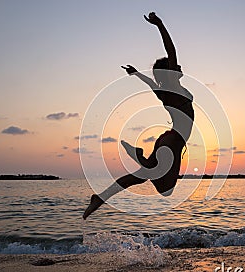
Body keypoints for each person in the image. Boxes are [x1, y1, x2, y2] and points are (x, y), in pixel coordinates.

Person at [83, 12, 194, 220]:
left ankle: (100, 198)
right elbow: (171, 51)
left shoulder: (163, 91)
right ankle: (141, 158)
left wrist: (136, 74)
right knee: (166, 189)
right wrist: (160, 24)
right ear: (169, 72)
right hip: (173, 141)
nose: (178, 67)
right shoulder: (172, 86)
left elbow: (151, 83)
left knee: (141, 177)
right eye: (174, 67)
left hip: (168, 139)